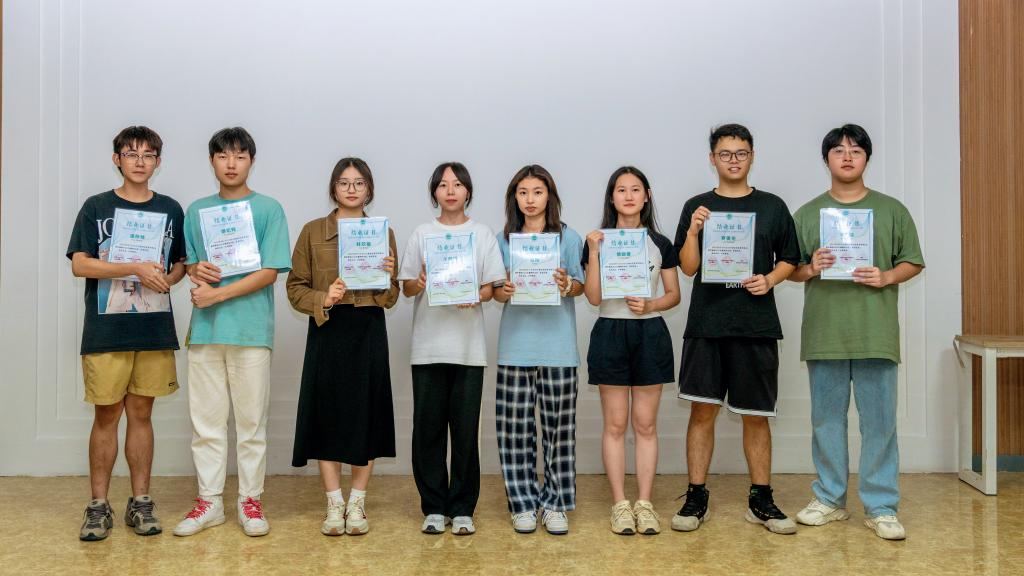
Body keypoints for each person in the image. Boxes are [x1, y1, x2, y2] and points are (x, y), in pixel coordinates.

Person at [790, 124, 924, 541]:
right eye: (838, 150)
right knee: (826, 421)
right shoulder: (808, 213)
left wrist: (886, 276)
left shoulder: (892, 209)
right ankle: (829, 499)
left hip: (875, 332)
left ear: (867, 158)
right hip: (825, 332)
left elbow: (913, 261)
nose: (847, 157)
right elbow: (789, 269)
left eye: (856, 150)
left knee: (879, 423)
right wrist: (811, 268)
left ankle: (881, 506)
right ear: (826, 159)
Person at [672, 124, 800, 535]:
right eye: (725, 153)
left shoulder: (772, 206)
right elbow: (687, 267)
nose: (733, 160)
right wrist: (693, 231)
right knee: (702, 411)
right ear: (712, 158)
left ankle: (761, 499)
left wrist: (770, 279)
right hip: (707, 324)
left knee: (756, 416)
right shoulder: (697, 206)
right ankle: (696, 496)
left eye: (740, 153)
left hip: (755, 325)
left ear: (752, 156)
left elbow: (790, 258)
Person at [68, 125, 186, 541]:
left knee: (142, 415)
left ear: (158, 162)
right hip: (106, 329)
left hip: (153, 328)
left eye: (148, 154)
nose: (140, 161)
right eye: (131, 153)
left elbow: (179, 264)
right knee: (106, 416)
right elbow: (80, 264)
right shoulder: (97, 206)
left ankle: (141, 502)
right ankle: (98, 505)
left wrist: (168, 278)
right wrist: (133, 267)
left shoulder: (170, 209)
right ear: (116, 159)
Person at [172, 127, 291, 538]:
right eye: (223, 156)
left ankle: (250, 501)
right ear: (212, 161)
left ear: (251, 161)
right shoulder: (197, 211)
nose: (231, 163)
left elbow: (270, 271)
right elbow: (191, 263)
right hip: (206, 331)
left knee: (251, 424)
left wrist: (218, 295)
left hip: (251, 331)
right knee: (206, 424)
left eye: (240, 156)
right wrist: (196, 269)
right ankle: (210, 502)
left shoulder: (269, 209)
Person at [287, 157, 399, 536]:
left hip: (368, 330)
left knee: (366, 416)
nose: (351, 189)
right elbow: (294, 287)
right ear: (333, 188)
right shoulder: (312, 231)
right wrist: (325, 297)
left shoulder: (382, 232)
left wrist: (386, 278)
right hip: (328, 329)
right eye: (344, 182)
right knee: (327, 417)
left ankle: (357, 504)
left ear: (369, 189)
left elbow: (392, 295)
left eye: (359, 183)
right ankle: (334, 503)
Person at [398, 162, 505, 535]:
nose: (450, 191)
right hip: (427, 348)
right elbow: (406, 287)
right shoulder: (422, 233)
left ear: (468, 191)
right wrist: (421, 281)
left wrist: (478, 295)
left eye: (457, 184)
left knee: (465, 433)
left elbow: (492, 286)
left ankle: (462, 509)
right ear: (434, 193)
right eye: (443, 185)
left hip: (468, 349)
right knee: (427, 432)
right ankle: (433, 507)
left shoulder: (482, 233)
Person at [582, 166, 681, 535]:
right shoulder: (596, 240)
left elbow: (674, 294)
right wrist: (594, 252)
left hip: (649, 333)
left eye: (635, 189)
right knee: (615, 424)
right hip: (610, 330)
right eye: (621, 190)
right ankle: (620, 505)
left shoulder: (660, 242)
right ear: (612, 198)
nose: (628, 196)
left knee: (645, 424)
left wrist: (651, 304)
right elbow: (593, 297)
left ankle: (645, 503)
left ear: (647, 196)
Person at [492, 165, 585, 535]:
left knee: (559, 432)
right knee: (514, 431)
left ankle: (556, 504)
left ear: (550, 196)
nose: (530, 200)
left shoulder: (569, 237)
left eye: (537, 192)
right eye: (523, 193)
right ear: (514, 198)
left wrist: (567, 285)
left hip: (558, 347)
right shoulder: (503, 240)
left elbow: (580, 286)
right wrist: (504, 290)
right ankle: (523, 505)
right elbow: (495, 292)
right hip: (515, 347)